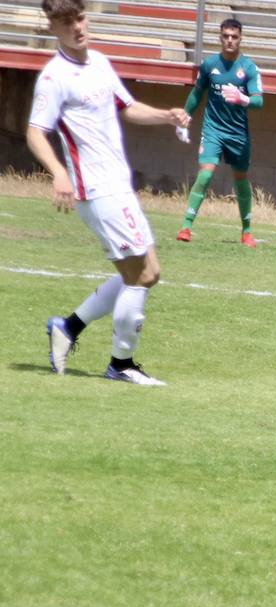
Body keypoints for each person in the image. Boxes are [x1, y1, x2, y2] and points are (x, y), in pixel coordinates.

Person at [30, 0, 190, 386]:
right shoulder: (54, 78)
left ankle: (67, 327)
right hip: (97, 190)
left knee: (147, 272)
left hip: (119, 185)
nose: (77, 28)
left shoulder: (99, 62)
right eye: (67, 23)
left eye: (80, 18)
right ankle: (121, 364)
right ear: (53, 27)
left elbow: (128, 107)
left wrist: (166, 116)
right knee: (143, 274)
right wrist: (58, 174)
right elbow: (36, 131)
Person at [176, 17, 263, 247]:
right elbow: (197, 93)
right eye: (225, 36)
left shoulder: (249, 68)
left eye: (234, 37)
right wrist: (185, 117)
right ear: (220, 38)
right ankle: (186, 226)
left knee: (241, 178)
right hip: (213, 129)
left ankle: (246, 231)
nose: (230, 41)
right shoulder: (208, 65)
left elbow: (259, 100)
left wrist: (244, 99)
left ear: (240, 38)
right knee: (205, 174)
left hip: (238, 134)